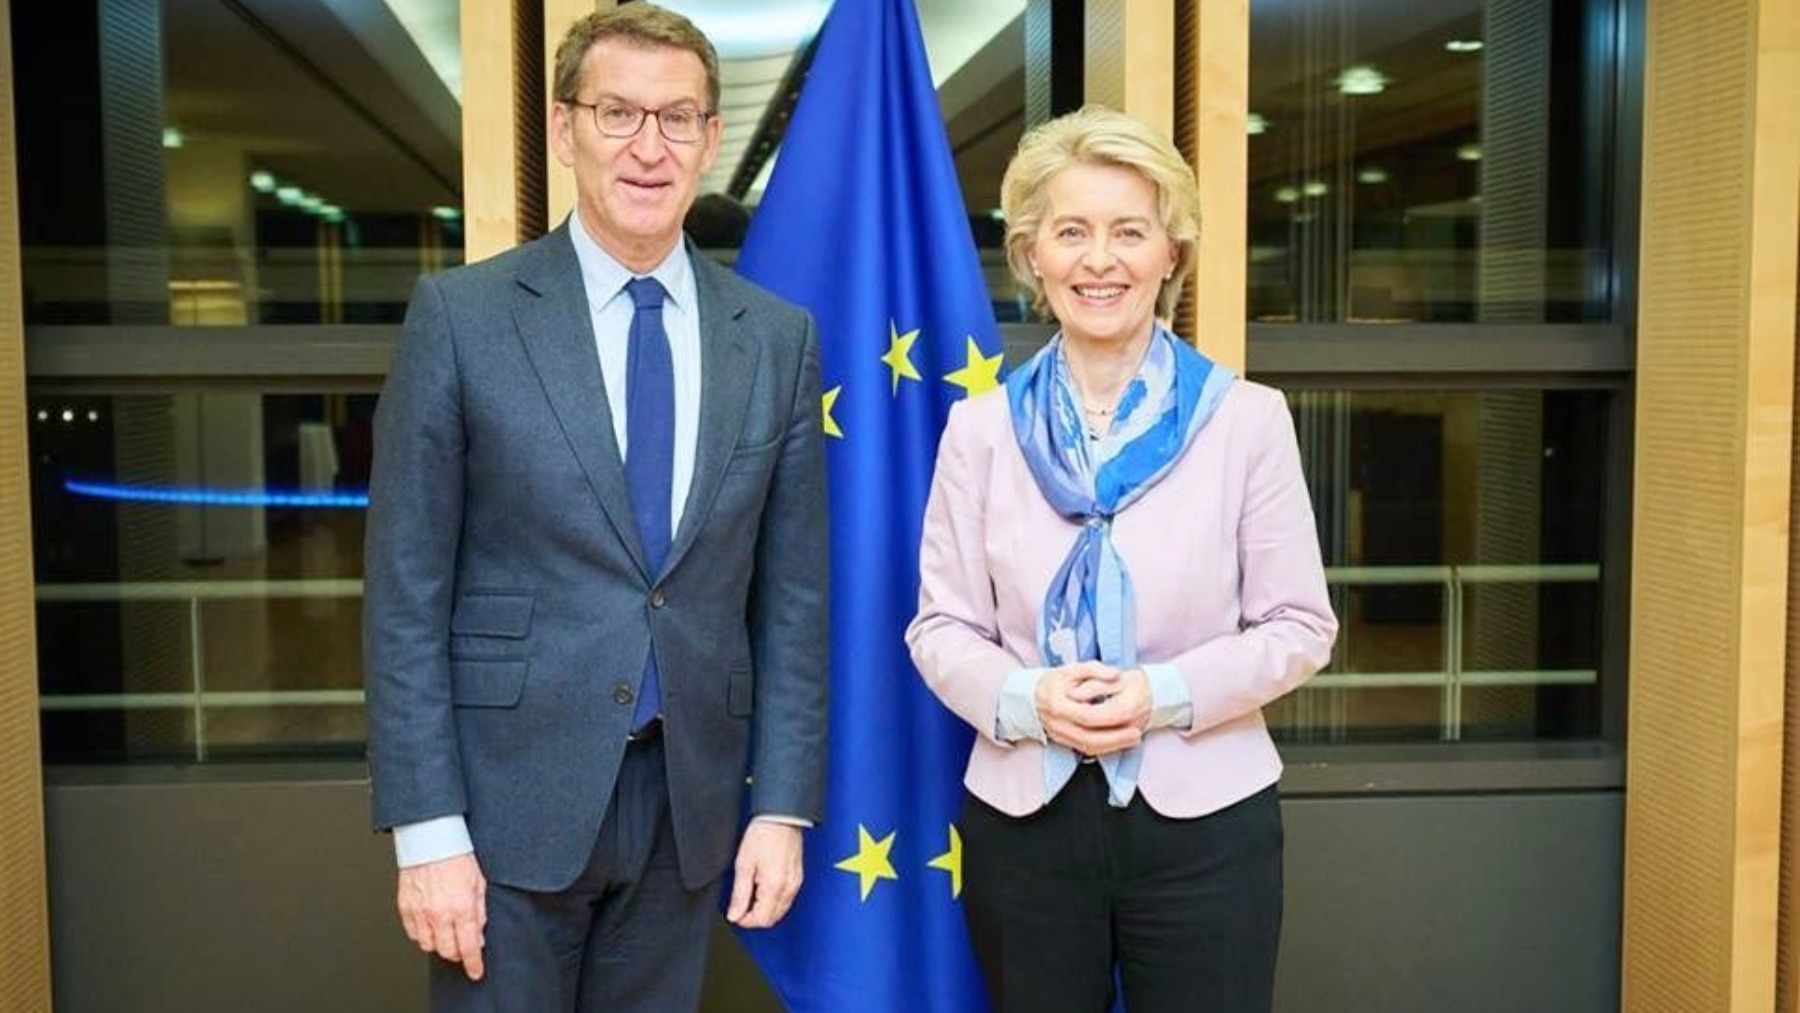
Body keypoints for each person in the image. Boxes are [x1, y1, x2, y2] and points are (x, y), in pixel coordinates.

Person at [362, 6, 829, 1012]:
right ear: (565, 129)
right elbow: (405, 593)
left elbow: (792, 599)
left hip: (690, 808)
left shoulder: (776, 341)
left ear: (712, 138)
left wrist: (783, 805)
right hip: (503, 808)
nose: (648, 146)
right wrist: (427, 827)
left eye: (676, 118)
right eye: (618, 113)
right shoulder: (463, 318)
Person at [906, 105, 1337, 1013]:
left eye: (1128, 232)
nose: (1099, 260)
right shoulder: (980, 429)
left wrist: (1160, 693)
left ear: (1170, 253)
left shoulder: (1245, 420)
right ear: (1031, 256)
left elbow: (1299, 627)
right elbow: (940, 626)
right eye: (1071, 232)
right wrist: (1027, 698)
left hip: (1207, 821)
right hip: (1025, 818)